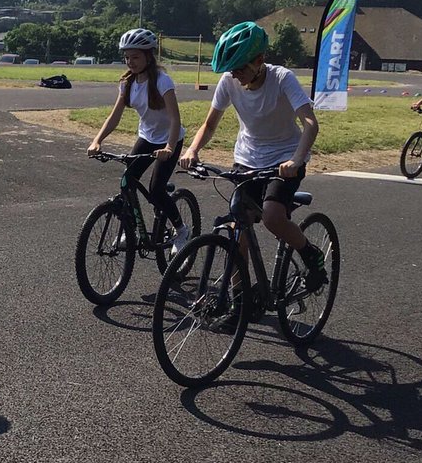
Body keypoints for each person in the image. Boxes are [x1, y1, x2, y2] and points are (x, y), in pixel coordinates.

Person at [179, 21, 326, 299]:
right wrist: (192, 150)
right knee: (237, 227)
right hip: (247, 158)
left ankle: (310, 253)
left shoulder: (282, 79)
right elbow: (210, 125)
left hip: (285, 158)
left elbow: (310, 123)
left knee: (272, 216)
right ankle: (239, 298)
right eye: (231, 69)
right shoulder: (229, 82)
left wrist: (296, 160)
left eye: (240, 68)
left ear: (260, 60)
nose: (235, 75)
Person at [87, 28, 189, 253]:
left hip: (169, 139)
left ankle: (181, 230)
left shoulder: (163, 81)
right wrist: (97, 140)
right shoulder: (127, 83)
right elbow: (114, 116)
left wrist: (170, 147)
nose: (130, 62)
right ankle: (130, 230)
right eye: (126, 57)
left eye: (135, 57)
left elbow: (175, 119)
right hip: (147, 137)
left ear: (148, 56)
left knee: (156, 190)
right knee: (127, 181)